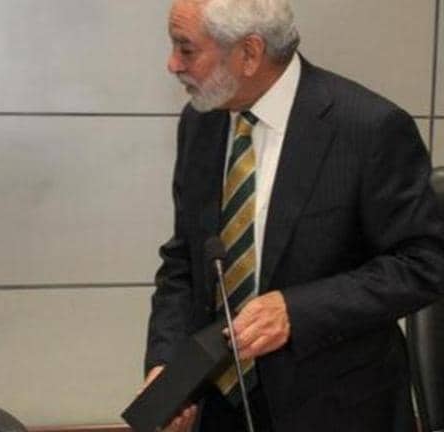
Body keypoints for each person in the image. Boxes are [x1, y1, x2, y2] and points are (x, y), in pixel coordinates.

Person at [144, 0, 444, 431]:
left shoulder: (369, 127)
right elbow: (184, 263)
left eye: (186, 49)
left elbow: (424, 264)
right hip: (220, 406)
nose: (173, 64)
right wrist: (167, 365)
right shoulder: (201, 122)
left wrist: (297, 311)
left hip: (337, 409)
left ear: (249, 53)